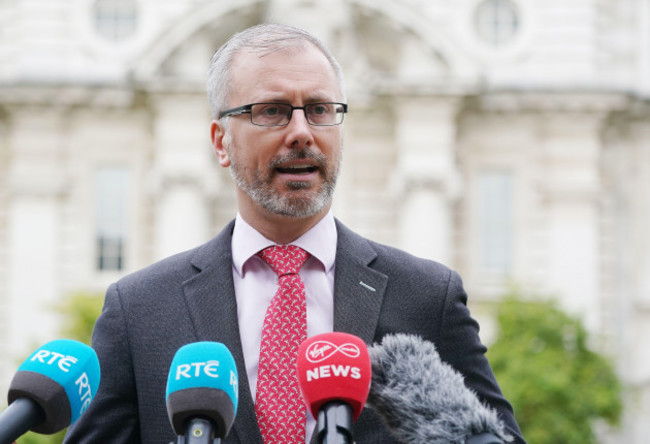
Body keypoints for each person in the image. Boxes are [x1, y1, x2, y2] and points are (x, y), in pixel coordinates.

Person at [64, 23, 525, 444]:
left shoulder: (428, 297)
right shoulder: (140, 309)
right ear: (221, 142)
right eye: (273, 111)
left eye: (320, 109)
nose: (302, 132)